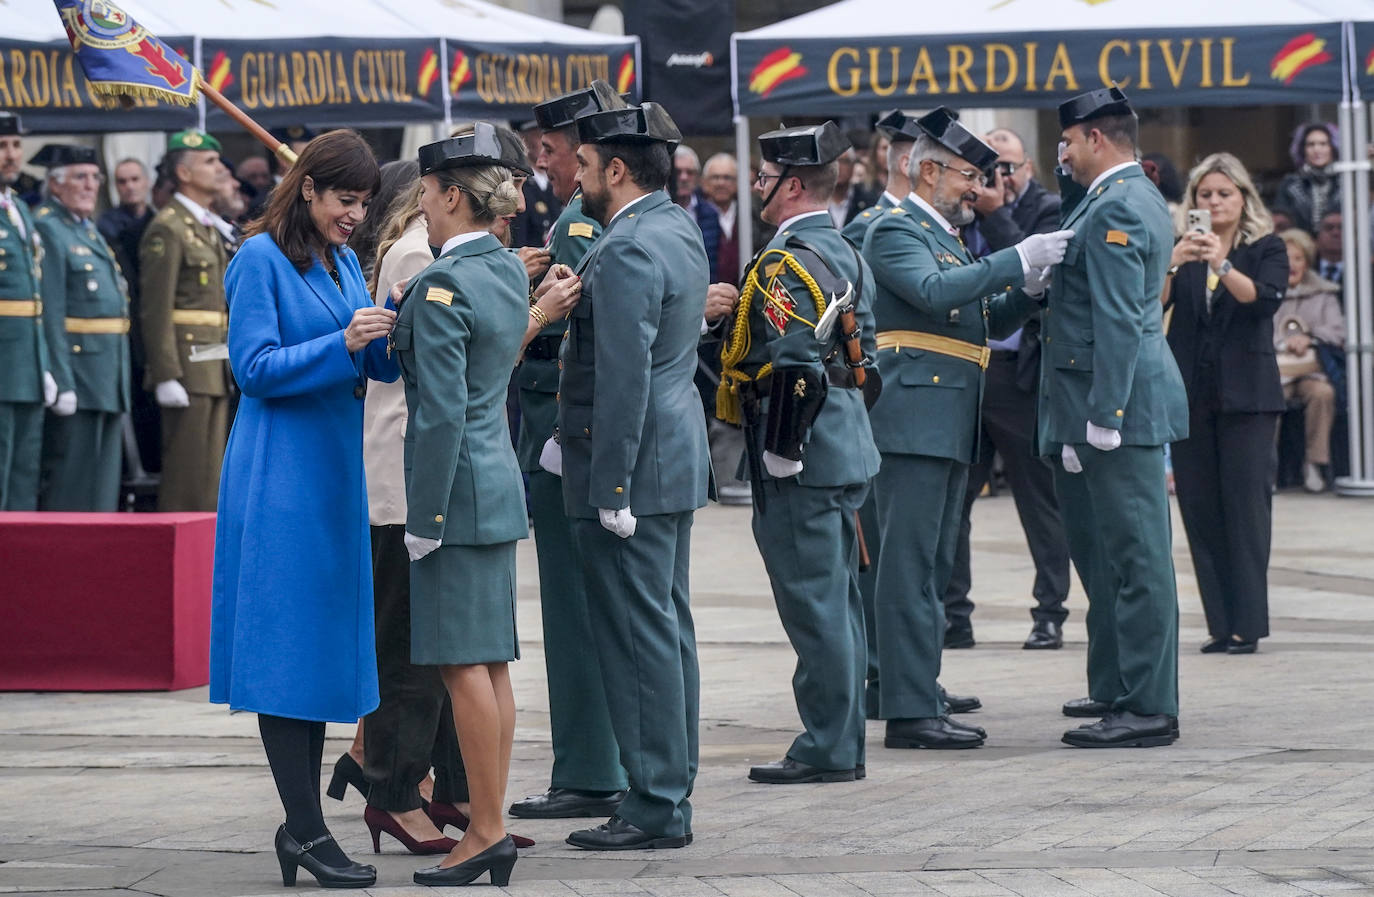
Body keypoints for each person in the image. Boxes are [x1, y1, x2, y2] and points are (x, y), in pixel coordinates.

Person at [209, 128, 394, 890]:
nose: (356, 215)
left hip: (332, 475)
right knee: (286, 653)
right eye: (345, 200)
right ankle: (306, 828)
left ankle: (303, 828)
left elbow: (370, 360)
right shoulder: (259, 258)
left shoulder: (343, 258)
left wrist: (395, 322)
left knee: (317, 652)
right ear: (308, 187)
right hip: (279, 477)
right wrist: (343, 341)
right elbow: (252, 368)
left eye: (364, 203)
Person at [861, 107, 1069, 751]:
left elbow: (981, 316)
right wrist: (1016, 256)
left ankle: (918, 688)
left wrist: (1029, 288)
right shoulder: (894, 230)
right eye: (966, 175)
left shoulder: (943, 235)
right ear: (927, 171)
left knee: (931, 565)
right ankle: (907, 707)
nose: (975, 188)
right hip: (912, 420)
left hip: (946, 418)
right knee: (908, 566)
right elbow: (933, 292)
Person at [558, 98, 710, 850]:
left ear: (616, 169)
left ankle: (655, 803)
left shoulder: (626, 247)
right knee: (665, 629)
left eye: (585, 165)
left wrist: (610, 486)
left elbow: (624, 377)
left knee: (636, 636)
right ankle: (670, 783)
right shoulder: (675, 227)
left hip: (633, 467)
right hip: (671, 454)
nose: (576, 177)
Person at [389, 124, 532, 888]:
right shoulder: (503, 267)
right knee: (491, 663)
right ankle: (489, 819)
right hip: (494, 480)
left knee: (461, 664)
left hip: (456, 492)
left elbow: (440, 415)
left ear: (451, 195)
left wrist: (426, 519)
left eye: (426, 193)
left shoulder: (443, 284)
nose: (422, 205)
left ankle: (485, 829)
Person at [717, 121, 879, 784]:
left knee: (815, 605)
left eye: (763, 177)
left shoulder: (785, 261)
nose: (756, 186)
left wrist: (782, 448)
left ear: (789, 186)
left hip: (801, 450)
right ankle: (843, 738)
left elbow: (795, 364)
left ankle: (828, 745)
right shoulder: (843, 249)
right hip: (842, 443)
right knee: (837, 601)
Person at [1046, 86, 1188, 746]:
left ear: (1096, 138)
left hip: (1121, 406)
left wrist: (1104, 413)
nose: (1063, 154)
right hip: (1116, 402)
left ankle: (1149, 706)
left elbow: (1120, 319)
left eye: (1068, 142)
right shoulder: (1119, 195)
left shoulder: (1119, 205)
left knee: (1138, 558)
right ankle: (1127, 688)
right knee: (1121, 553)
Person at [506, 84, 629, 824]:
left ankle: (588, 769)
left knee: (573, 607)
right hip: (565, 427)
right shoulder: (584, 220)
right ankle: (598, 762)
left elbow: (583, 338)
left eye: (548, 151)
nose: (541, 164)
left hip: (559, 429)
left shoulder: (581, 226)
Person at [944, 126, 1072, 652]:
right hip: (965, 372)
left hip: (1020, 373)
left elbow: (1034, 270)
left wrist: (996, 214)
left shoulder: (1048, 209)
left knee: (1040, 503)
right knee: (954, 501)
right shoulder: (956, 209)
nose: (998, 177)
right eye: (986, 169)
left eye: (1008, 167)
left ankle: (1050, 613)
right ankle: (954, 616)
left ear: (1029, 169)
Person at [1165, 152, 1287, 656]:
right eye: (1205, 194)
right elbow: (1153, 304)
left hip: (1248, 399)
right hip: (1193, 395)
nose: (1214, 202)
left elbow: (1264, 299)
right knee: (1200, 509)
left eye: (1223, 194)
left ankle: (1247, 625)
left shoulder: (1266, 246)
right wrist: (1175, 261)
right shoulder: (1183, 248)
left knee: (1245, 511)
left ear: (1243, 197)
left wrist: (1222, 262)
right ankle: (1220, 623)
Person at [840, 109, 918, 721]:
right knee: (879, 549)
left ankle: (913, 670)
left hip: (924, 409)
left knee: (920, 556)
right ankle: (878, 672)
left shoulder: (930, 227)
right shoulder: (868, 227)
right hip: (878, 403)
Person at [31, 144, 131, 512]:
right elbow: (51, 310)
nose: (90, 186)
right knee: (72, 481)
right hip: (78, 370)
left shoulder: (86, 229)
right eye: (80, 177)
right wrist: (62, 379)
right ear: (56, 185)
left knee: (102, 481)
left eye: (94, 177)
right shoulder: (49, 227)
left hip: (105, 372)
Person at [138, 130, 233, 512]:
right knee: (187, 474)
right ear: (184, 173)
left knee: (210, 477)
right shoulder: (169, 226)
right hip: (186, 366)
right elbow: (155, 307)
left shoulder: (207, 225)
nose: (220, 168)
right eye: (209, 162)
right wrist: (165, 374)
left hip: (213, 363)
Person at [0, 112, 56, 510]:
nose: (12, 155)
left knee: (22, 476)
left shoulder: (18, 207)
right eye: (2, 146)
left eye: (17, 145)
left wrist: (44, 365)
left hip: (27, 365)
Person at [1275, 228, 1344, 492]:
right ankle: (1267, 467)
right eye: (1286, 258)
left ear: (1307, 261)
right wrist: (1283, 342)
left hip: (1310, 369)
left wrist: (1310, 337)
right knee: (1267, 397)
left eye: (1298, 258)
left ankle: (1314, 464)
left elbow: (1339, 331)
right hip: (1276, 370)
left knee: (1322, 394)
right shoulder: (1268, 290)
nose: (1292, 265)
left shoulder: (1324, 293)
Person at [1273, 123, 1340, 237]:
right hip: (1301, 244)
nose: (1317, 149)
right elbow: (1281, 223)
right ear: (1302, 149)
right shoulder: (1289, 185)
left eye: (1323, 144)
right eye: (1310, 144)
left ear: (1333, 147)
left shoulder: (1346, 182)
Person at [1315, 211, 1344, 287]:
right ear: (1318, 236)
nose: (1335, 233)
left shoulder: (1364, 272)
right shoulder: (1304, 270)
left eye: (1341, 228)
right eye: (1329, 228)